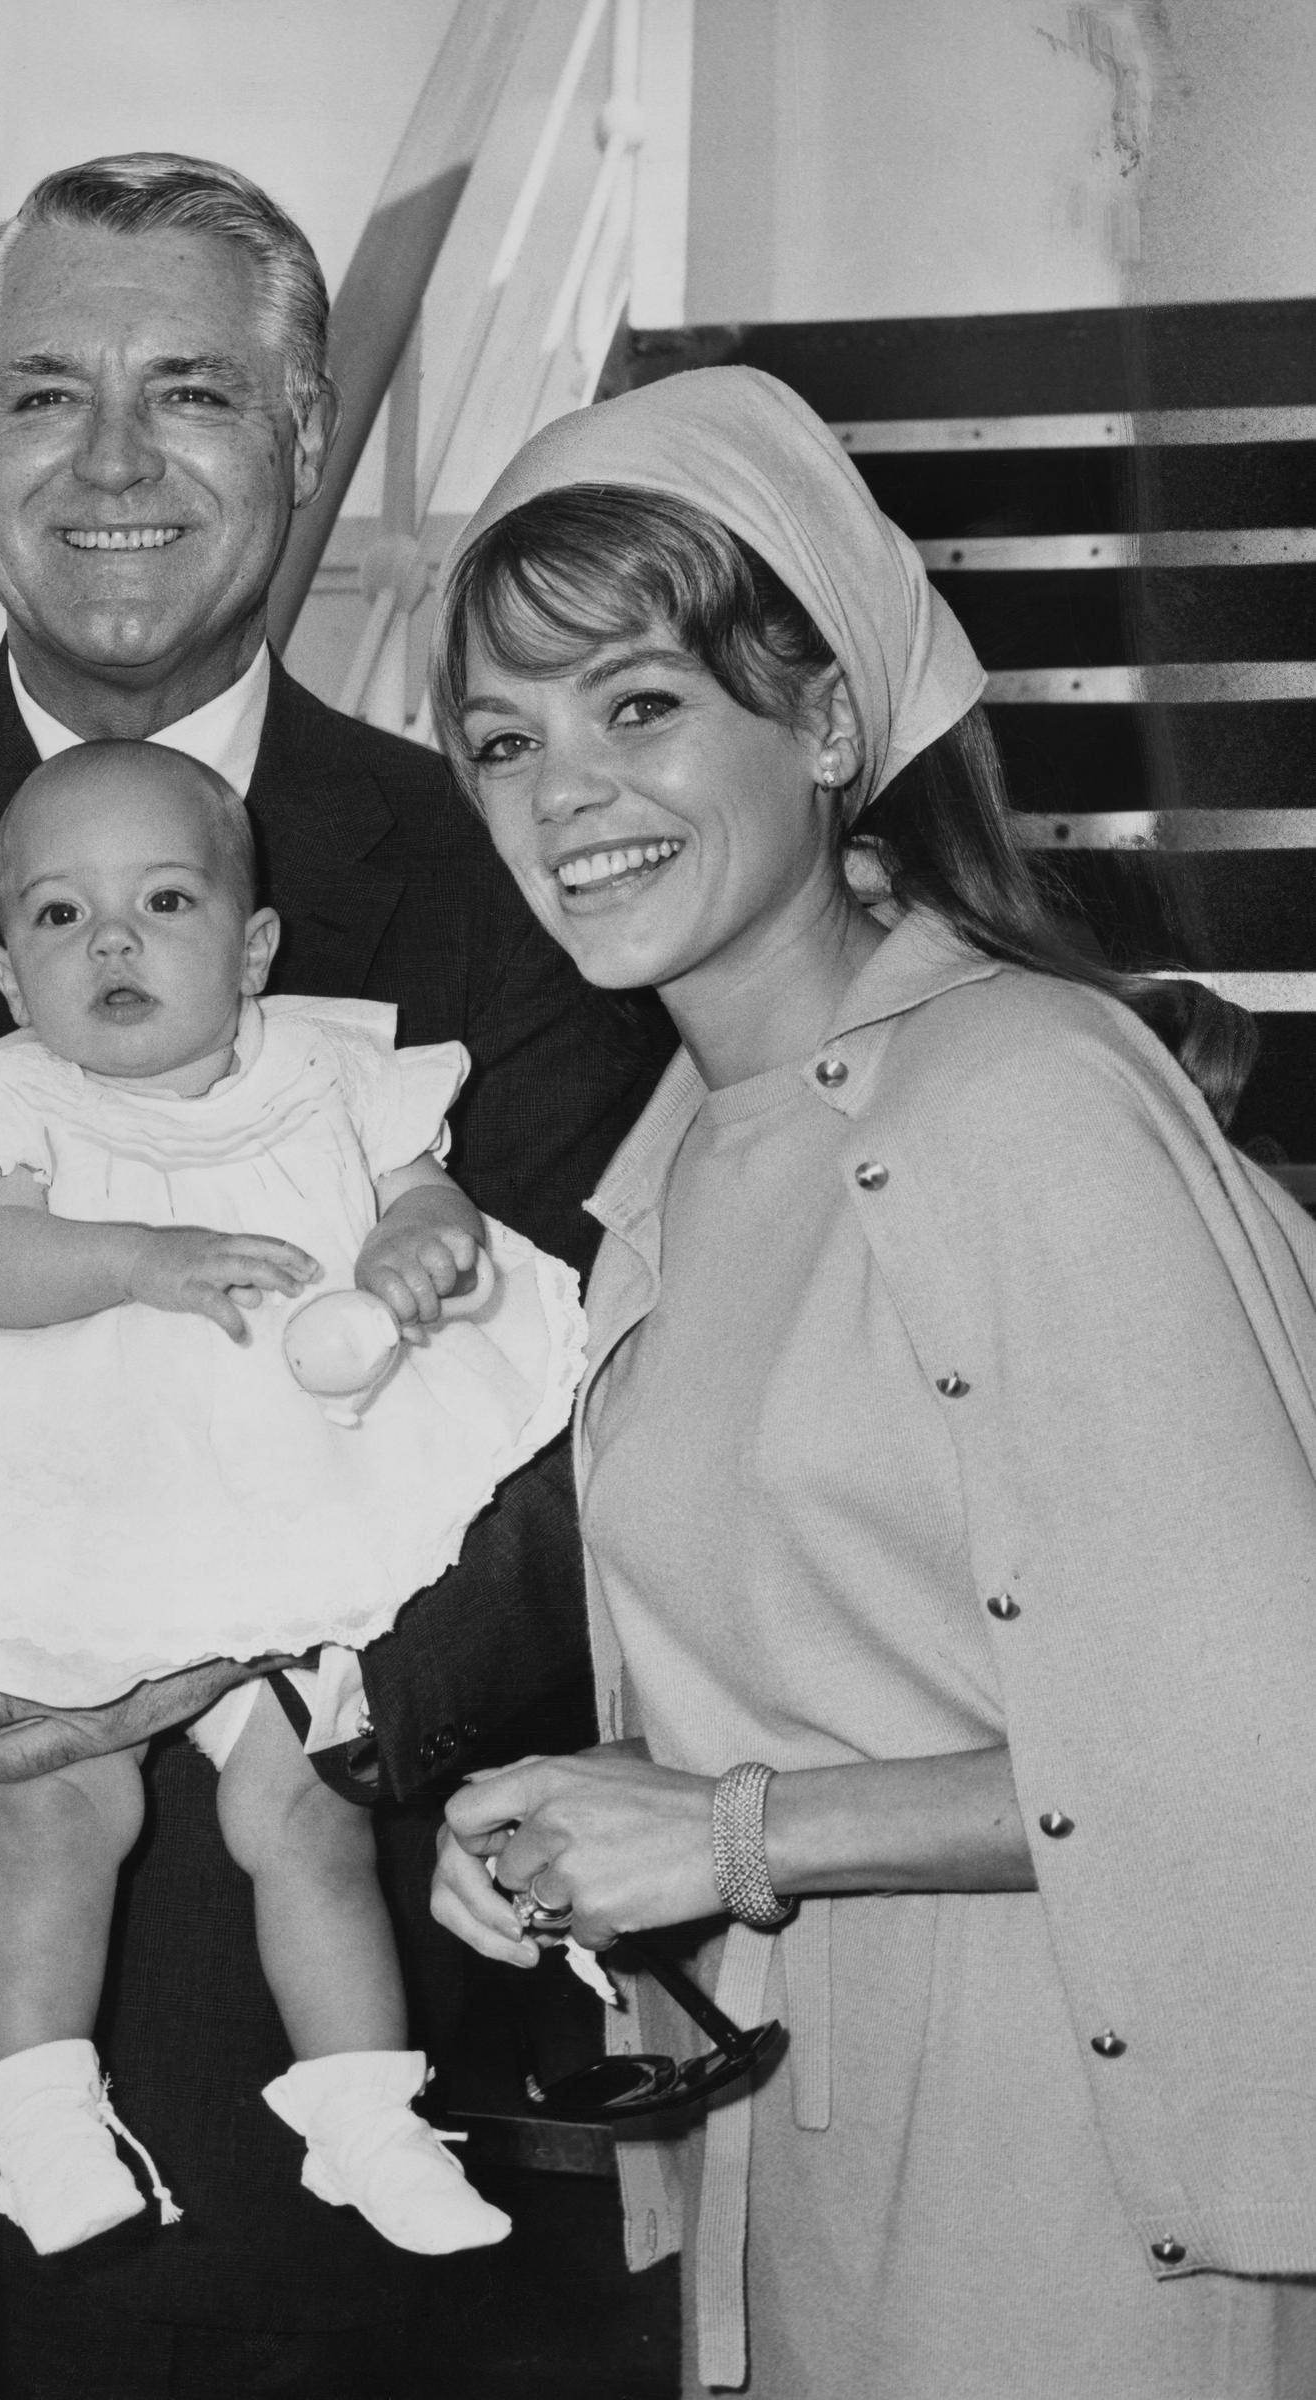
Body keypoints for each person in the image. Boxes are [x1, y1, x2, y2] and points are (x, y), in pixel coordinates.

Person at [0, 154, 671, 2400]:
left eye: (191, 391)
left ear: (300, 433)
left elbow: (565, 1373)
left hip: (274, 1992)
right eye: (43, 391)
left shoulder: (489, 860)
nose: (110, 463)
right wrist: (47, 1539)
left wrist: (282, 1665)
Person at [426, 365, 1316, 2398]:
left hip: (1084, 2158)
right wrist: (587, 1839)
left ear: (827, 719)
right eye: (502, 740)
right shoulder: (685, 1147)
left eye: (637, 704)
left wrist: (730, 1837)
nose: (561, 794)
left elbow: (1253, 1752)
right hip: (813, 2128)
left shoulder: (1019, 1101)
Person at [0, 741, 584, 2259]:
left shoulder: (335, 1075)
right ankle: (43, 2112)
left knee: (307, 1817)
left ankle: (365, 2119)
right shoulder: (0, 1101)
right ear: (7, 973)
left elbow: (425, 1189)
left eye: (164, 902)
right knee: (55, 1808)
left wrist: (425, 1240)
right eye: (60, 919)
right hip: (75, 1520)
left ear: (253, 944)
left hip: (281, 1517)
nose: (111, 943)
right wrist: (138, 1258)